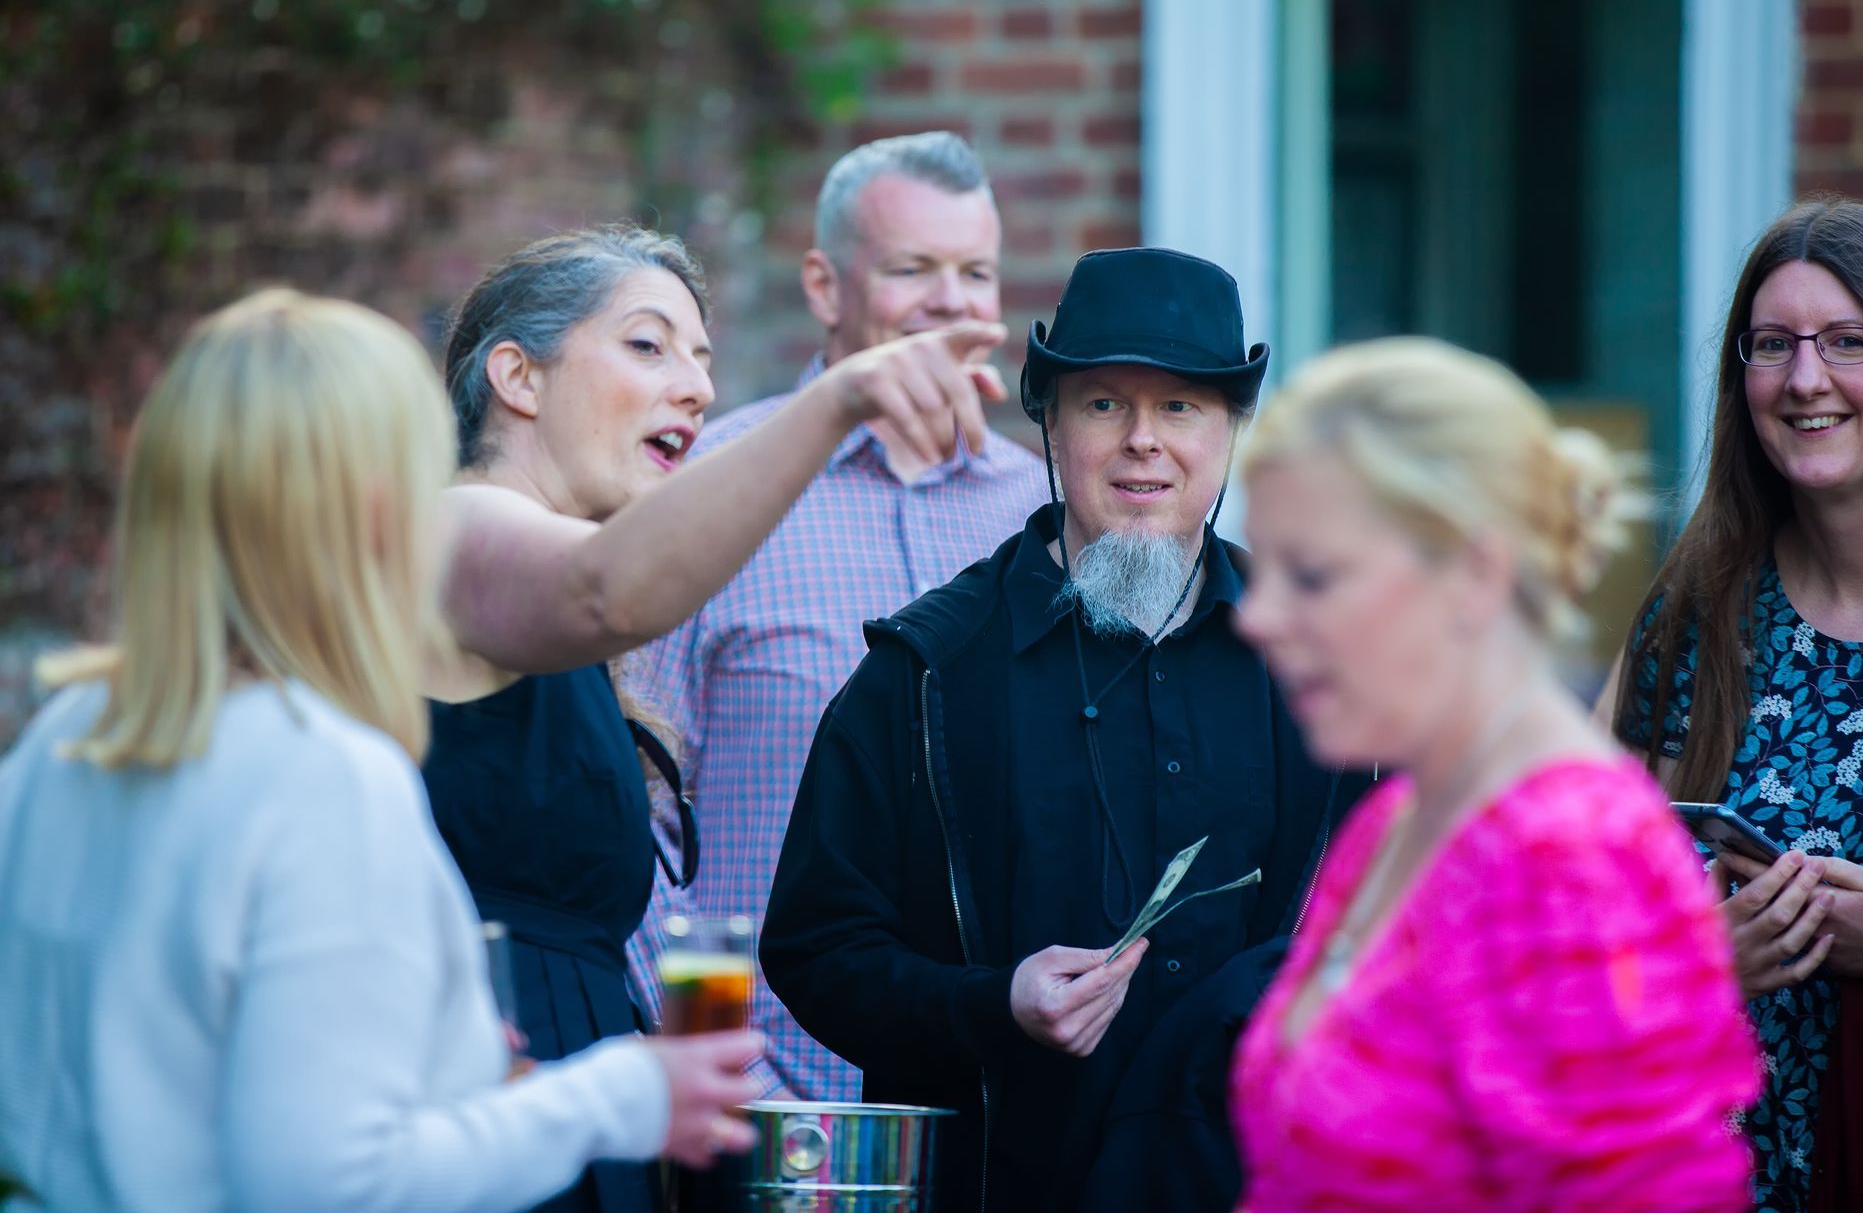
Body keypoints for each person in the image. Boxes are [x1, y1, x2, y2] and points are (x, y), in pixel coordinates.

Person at [0, 290, 761, 1212]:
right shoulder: (320, 776)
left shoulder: (65, 739)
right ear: (369, 501)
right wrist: (622, 1097)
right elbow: (336, 1180)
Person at [423, 225, 1007, 1212]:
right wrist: (840, 400)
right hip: (480, 1121)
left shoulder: (563, 621)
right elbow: (604, 592)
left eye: (703, 359)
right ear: (518, 376)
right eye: (649, 345)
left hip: (573, 1121)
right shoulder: (458, 525)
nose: (695, 387)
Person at [761, 247, 1353, 1212]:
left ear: (1233, 428)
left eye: (1182, 407)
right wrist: (989, 1005)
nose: (1142, 442)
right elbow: (816, 950)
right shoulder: (925, 674)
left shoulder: (1325, 667)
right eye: (1105, 404)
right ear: (1049, 420)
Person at [1229, 337, 1759, 1212]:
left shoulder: (1573, 860)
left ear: (1476, 572)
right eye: (1265, 568)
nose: (1259, 618)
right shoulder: (1401, 813)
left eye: (1311, 575)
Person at [616, 132, 1047, 1102]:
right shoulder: (707, 494)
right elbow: (635, 827)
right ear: (824, 285)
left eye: (975, 271)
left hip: (996, 1112)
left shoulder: (1041, 521)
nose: (951, 301)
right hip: (761, 1096)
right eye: (912, 268)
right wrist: (715, 1064)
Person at [1599, 198, 1863, 1211]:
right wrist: (1697, 959)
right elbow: (1585, 917)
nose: (1805, 378)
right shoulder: (1699, 613)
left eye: (1845, 341)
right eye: (1772, 344)